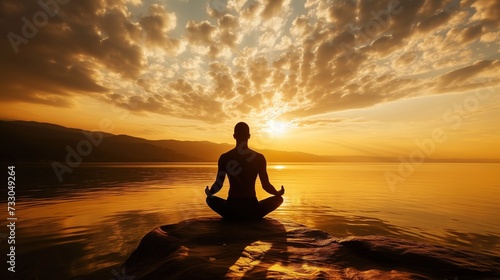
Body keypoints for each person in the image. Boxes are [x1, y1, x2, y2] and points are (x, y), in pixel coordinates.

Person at [205, 122, 285, 221]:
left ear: (234, 136)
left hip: (231, 209)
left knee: (209, 199)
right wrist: (277, 193)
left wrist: (209, 192)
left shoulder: (225, 157)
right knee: (279, 199)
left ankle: (233, 217)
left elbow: (219, 184)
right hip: (252, 209)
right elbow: (266, 185)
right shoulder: (259, 158)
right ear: (249, 136)